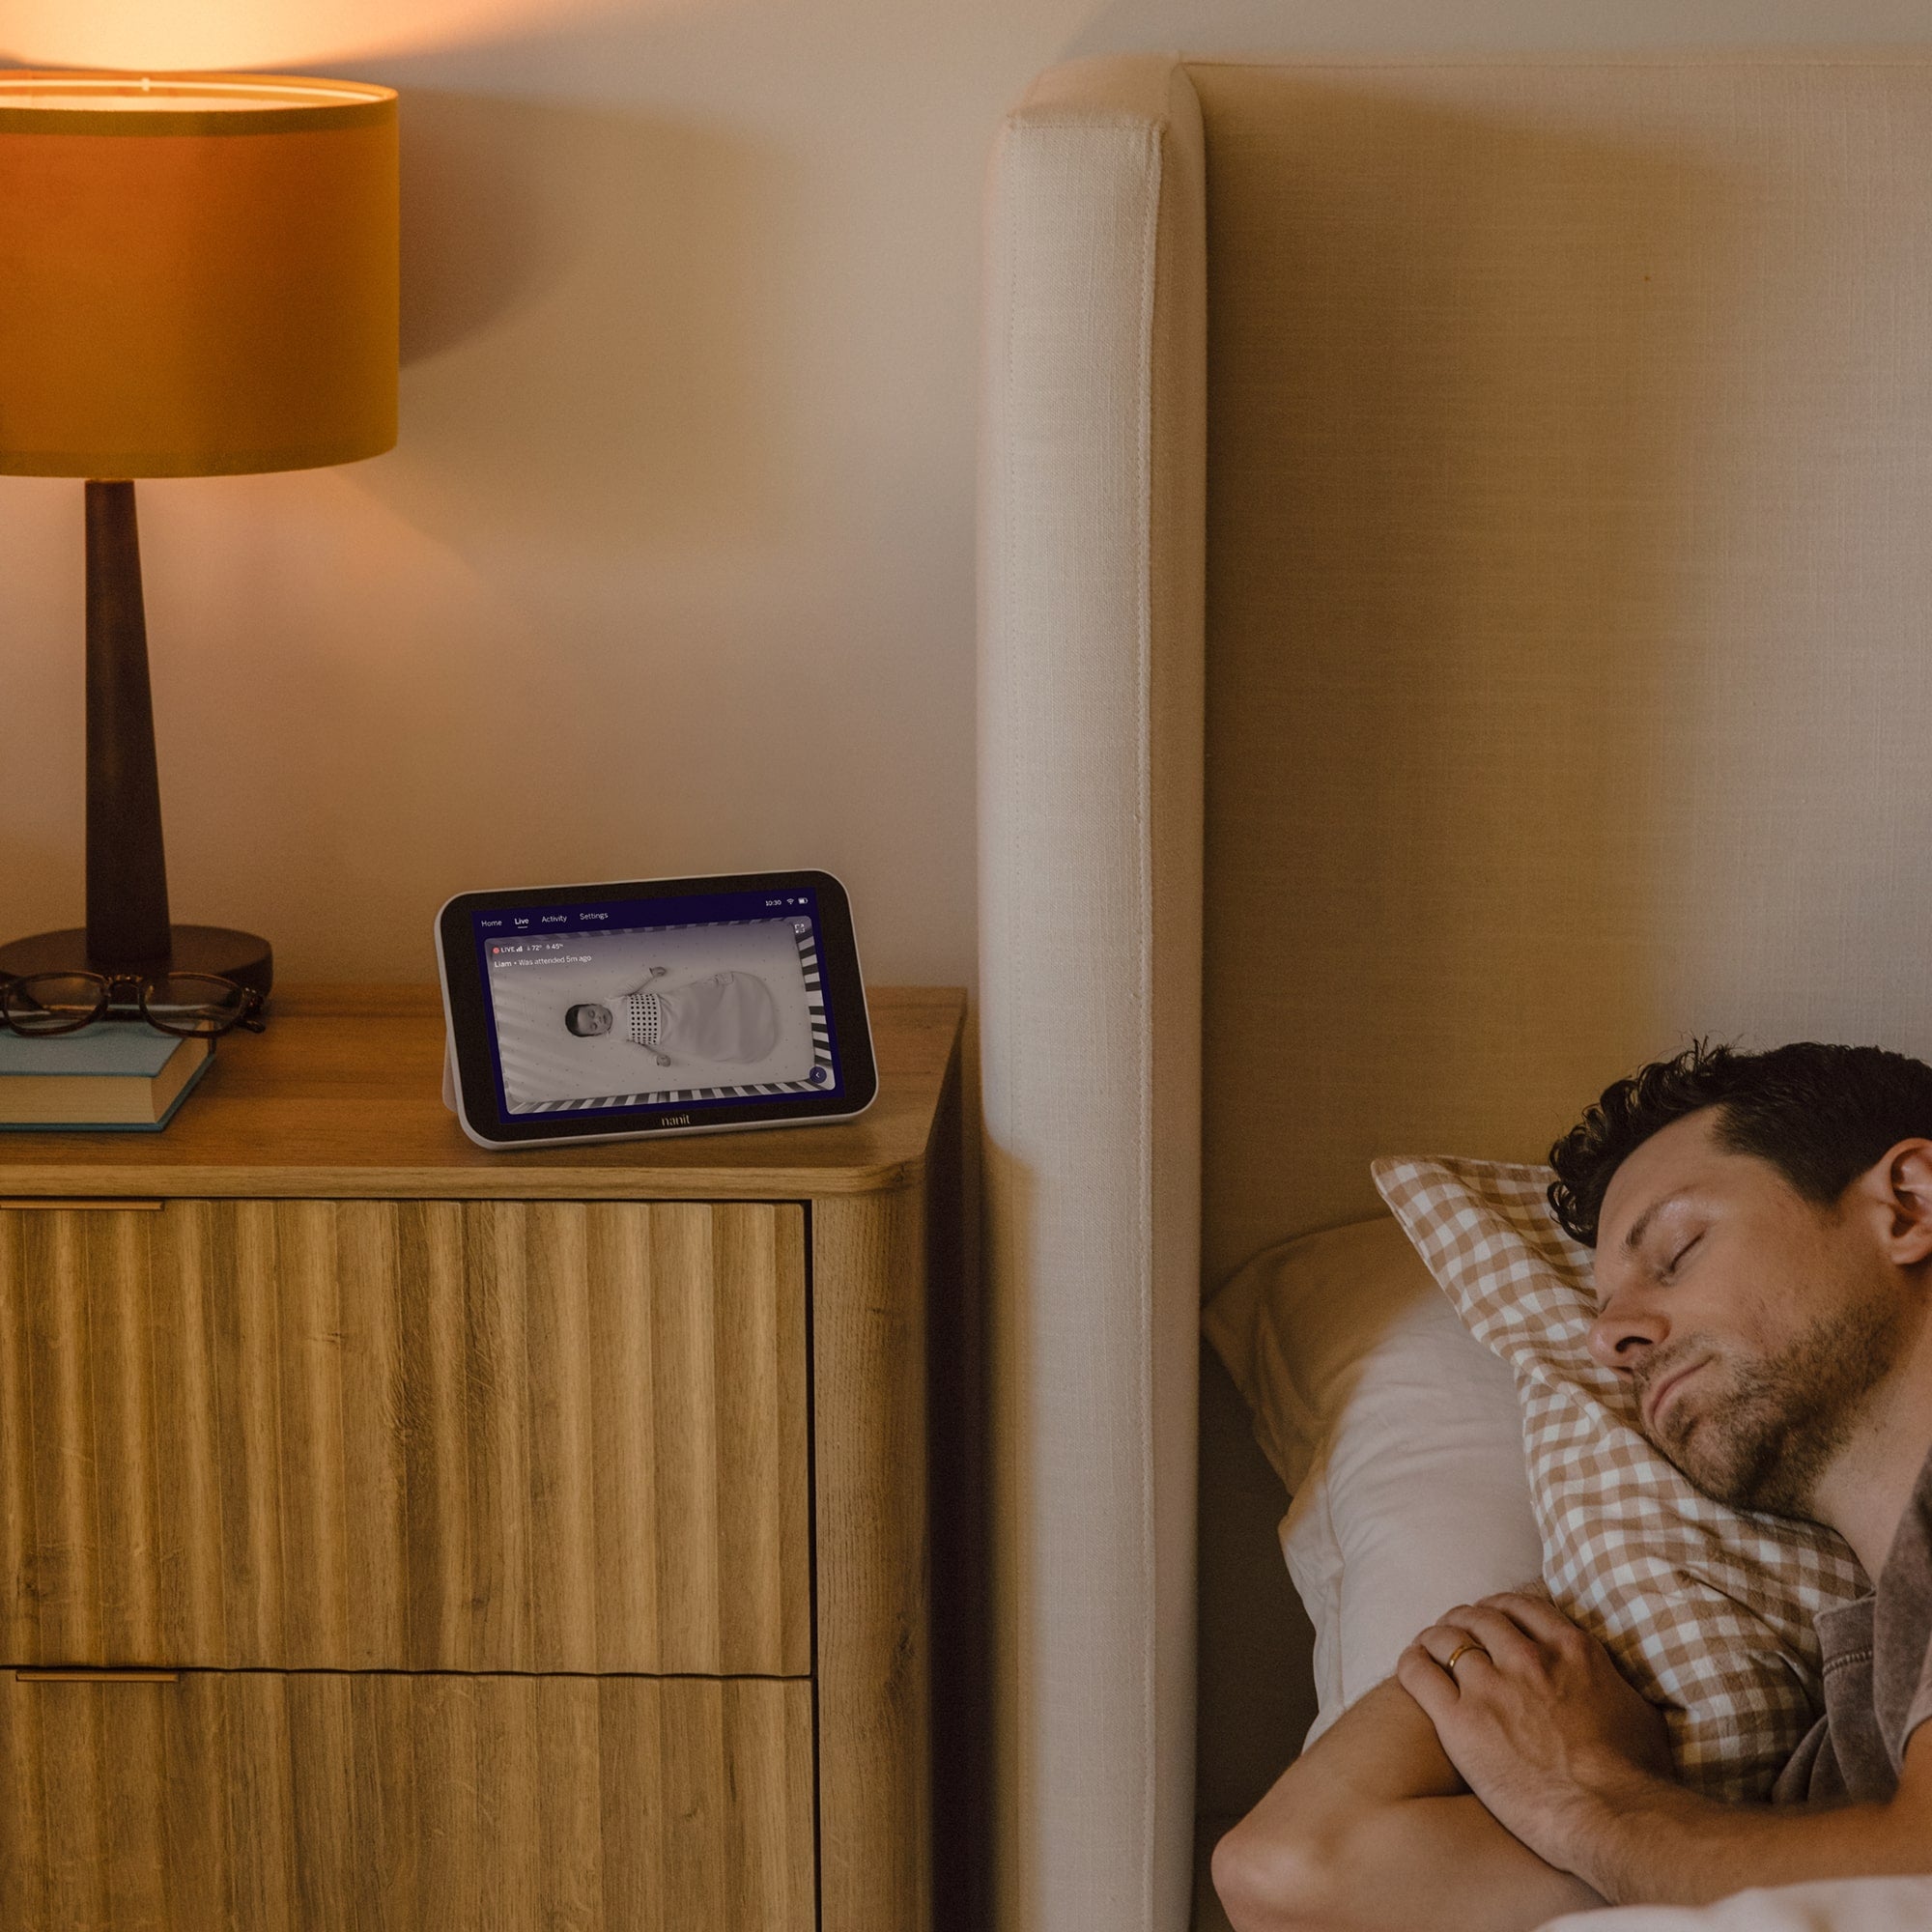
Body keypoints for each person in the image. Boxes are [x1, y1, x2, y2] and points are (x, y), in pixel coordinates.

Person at [1213, 1042, 1932, 1931]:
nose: (1609, 1342)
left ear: (1910, 1203)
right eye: (1598, 1315)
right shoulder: (1832, 1762)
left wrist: (1594, 1796)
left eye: (1677, 1251)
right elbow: (1291, 1871)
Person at [563, 967, 781, 1068]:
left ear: (594, 1004)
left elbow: (630, 985)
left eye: (592, 1013)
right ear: (597, 1033)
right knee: (702, 1043)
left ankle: (734, 997)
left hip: (673, 1006)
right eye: (593, 1026)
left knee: (698, 1000)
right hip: (673, 1035)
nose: (599, 1020)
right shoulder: (617, 1037)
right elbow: (637, 1050)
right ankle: (742, 1043)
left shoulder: (613, 999)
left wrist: (648, 974)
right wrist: (655, 1059)